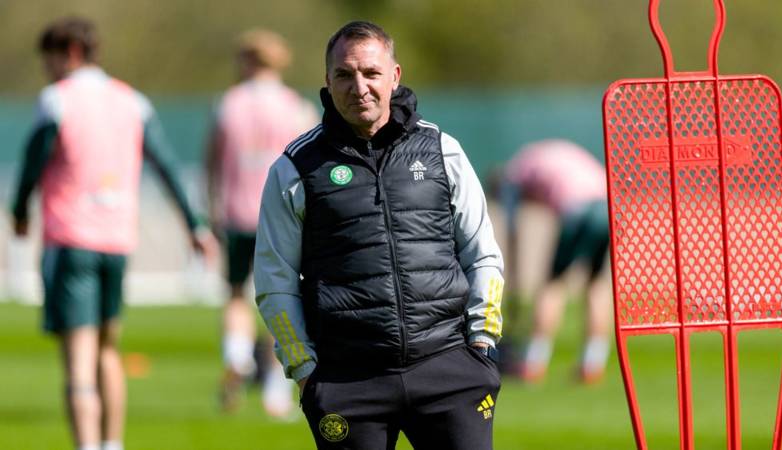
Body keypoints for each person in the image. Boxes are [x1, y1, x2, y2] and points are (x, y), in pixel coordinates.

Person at [254, 21, 505, 449]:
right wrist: (305, 370)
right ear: (327, 81)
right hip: (347, 381)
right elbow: (274, 280)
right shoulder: (294, 168)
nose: (359, 87)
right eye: (344, 75)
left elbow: (482, 254)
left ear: (395, 76)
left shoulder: (442, 151)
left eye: (371, 73)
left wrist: (482, 343)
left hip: (448, 367)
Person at [10, 17, 215, 450]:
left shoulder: (56, 99)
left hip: (71, 238)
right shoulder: (133, 101)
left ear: (69, 53)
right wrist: (194, 224)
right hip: (118, 240)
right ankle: (112, 443)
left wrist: (19, 212)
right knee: (108, 350)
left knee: (78, 364)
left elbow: (32, 163)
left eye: (49, 60)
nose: (46, 70)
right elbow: (167, 166)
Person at [205, 28, 318, 416]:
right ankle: (275, 387)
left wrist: (212, 208)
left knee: (236, 294)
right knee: (282, 296)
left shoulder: (228, 104)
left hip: (237, 213)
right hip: (283, 216)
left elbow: (211, 162)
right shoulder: (296, 107)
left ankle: (237, 356)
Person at [498, 139, 611, 384]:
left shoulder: (513, 176)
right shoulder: (542, 155)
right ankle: (592, 363)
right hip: (608, 207)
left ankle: (533, 362)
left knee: (553, 284)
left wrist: (513, 283)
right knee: (595, 283)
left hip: (578, 209)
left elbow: (512, 232)